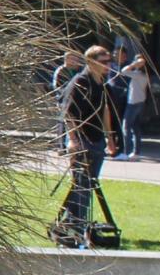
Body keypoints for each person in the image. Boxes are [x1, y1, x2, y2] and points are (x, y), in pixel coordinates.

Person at [60, 45, 121, 238]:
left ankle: (71, 223)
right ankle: (75, 224)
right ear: (91, 61)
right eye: (104, 62)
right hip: (81, 139)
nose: (108, 65)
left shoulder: (102, 84)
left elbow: (105, 111)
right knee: (82, 184)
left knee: (89, 183)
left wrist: (110, 138)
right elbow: (68, 113)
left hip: (96, 139)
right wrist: (72, 141)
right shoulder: (80, 82)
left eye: (109, 61)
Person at [116, 53, 151, 161]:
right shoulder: (144, 74)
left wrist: (134, 64)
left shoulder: (138, 74)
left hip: (133, 102)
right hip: (140, 102)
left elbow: (123, 71)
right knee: (135, 127)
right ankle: (136, 152)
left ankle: (126, 152)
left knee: (126, 127)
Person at [51, 48, 84, 151]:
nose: (74, 61)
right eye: (71, 58)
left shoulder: (80, 70)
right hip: (64, 100)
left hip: (77, 101)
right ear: (66, 59)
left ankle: (77, 145)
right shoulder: (61, 71)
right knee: (63, 123)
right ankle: (61, 146)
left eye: (75, 59)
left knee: (76, 123)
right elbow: (58, 86)